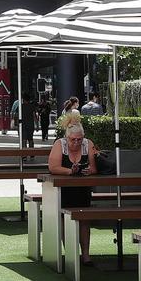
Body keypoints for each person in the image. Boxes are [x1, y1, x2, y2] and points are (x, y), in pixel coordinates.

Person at [49, 113, 98, 264]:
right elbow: (53, 167)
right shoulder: (59, 144)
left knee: (84, 220)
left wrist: (89, 170)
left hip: (82, 188)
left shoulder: (88, 144)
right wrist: (70, 171)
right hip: (63, 190)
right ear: (67, 137)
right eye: (73, 139)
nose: (76, 142)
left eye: (79, 139)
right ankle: (70, 252)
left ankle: (85, 254)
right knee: (64, 218)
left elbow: (94, 167)